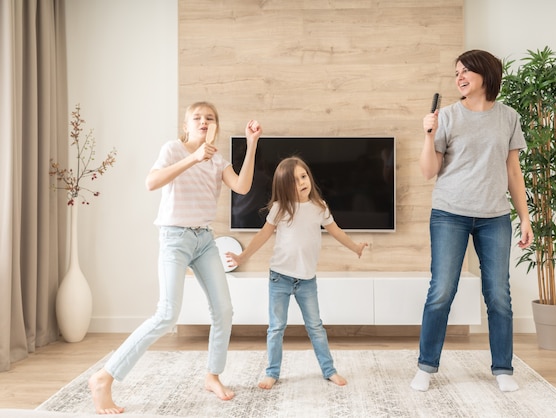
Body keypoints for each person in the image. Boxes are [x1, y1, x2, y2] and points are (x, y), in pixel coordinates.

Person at [88, 101, 263, 414]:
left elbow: (242, 186)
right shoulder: (173, 149)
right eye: (197, 118)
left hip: (204, 240)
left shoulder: (217, 159)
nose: (204, 122)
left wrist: (251, 146)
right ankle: (104, 377)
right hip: (175, 238)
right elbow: (151, 182)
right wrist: (193, 158)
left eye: (210, 118)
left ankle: (212, 376)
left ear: (217, 126)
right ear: (186, 126)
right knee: (167, 314)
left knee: (223, 310)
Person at [412, 50, 533, 393]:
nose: (460, 77)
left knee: (498, 295)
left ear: (486, 73)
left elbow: (513, 171)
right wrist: (427, 134)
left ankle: (503, 369)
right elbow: (428, 171)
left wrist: (525, 217)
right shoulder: (447, 116)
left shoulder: (508, 117)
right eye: (456, 73)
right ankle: (426, 366)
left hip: (495, 216)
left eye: (466, 71)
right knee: (441, 291)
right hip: (450, 213)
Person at [225, 156, 368, 390]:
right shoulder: (281, 208)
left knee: (315, 327)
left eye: (303, 176)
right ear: (283, 186)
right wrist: (242, 257)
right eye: (294, 180)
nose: (301, 182)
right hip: (279, 277)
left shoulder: (319, 206)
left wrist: (355, 247)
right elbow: (262, 235)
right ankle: (272, 372)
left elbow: (336, 231)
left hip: (307, 280)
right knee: (276, 328)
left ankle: (329, 370)